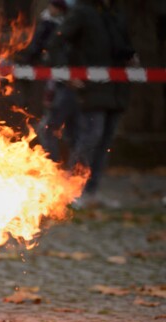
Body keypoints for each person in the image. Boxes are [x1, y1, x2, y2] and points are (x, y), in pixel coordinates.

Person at [50, 0, 137, 205]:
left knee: (105, 142)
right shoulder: (82, 12)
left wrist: (131, 57)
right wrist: (65, 72)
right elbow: (56, 43)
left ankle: (91, 191)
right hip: (90, 89)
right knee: (90, 138)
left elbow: (122, 44)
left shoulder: (115, 12)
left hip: (116, 89)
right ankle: (73, 192)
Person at [18, 0, 79, 165]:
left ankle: (56, 166)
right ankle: (64, 166)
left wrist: (24, 61)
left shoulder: (57, 28)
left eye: (58, 7)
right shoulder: (52, 24)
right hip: (57, 83)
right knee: (62, 129)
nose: (52, 9)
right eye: (53, 5)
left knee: (49, 129)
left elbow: (39, 49)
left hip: (63, 84)